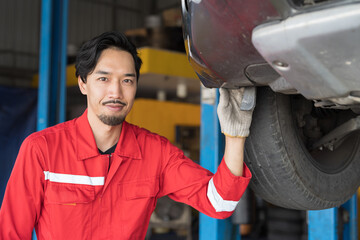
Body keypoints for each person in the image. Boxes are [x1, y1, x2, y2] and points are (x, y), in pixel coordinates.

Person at [0, 31, 254, 240]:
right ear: (83, 83)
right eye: (103, 78)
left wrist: (235, 135)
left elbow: (219, 203)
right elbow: (11, 233)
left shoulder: (156, 153)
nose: (116, 91)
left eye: (127, 81)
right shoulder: (42, 150)